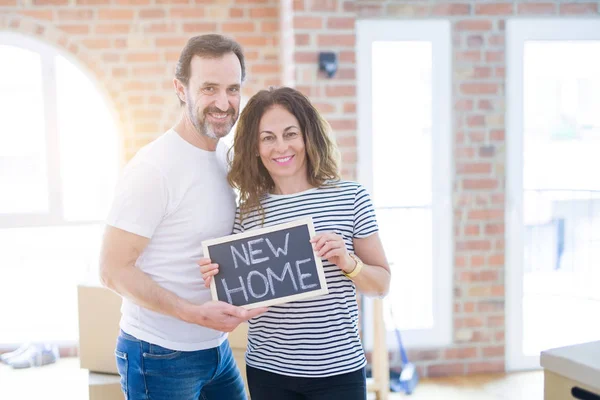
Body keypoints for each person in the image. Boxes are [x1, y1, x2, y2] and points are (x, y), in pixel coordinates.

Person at [99, 34, 266, 400]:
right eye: (209, 88)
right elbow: (112, 271)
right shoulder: (154, 168)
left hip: (216, 349)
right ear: (180, 88)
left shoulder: (224, 158)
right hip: (159, 354)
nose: (223, 103)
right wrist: (191, 313)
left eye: (233, 89)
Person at [200, 87, 392, 400]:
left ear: (308, 136)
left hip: (339, 371)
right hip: (268, 373)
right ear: (255, 147)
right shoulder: (246, 212)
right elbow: (238, 302)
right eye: (268, 137)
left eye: (291, 134)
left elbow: (381, 285)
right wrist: (217, 279)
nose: (281, 147)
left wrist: (348, 263)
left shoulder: (351, 198)